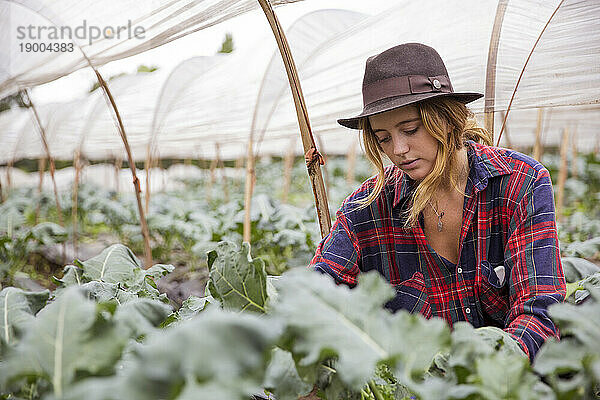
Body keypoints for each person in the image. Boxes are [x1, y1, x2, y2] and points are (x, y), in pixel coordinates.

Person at [309, 43, 566, 361]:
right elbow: (312, 297)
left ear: (449, 118)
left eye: (410, 129)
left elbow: (540, 313)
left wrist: (479, 378)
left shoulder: (521, 183)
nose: (398, 149)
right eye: (383, 137)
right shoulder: (365, 211)